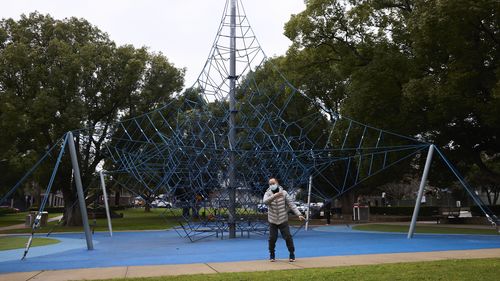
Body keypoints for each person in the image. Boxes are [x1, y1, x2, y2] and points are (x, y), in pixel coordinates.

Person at [263, 178, 305, 262]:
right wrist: (274, 196)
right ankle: (272, 254)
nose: (272, 185)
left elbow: (291, 205)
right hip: (272, 220)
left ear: (277, 183)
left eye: (273, 183)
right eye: (270, 184)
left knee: (288, 237)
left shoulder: (284, 193)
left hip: (283, 219)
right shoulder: (267, 193)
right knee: (272, 238)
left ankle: (292, 254)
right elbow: (265, 202)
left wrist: (299, 214)